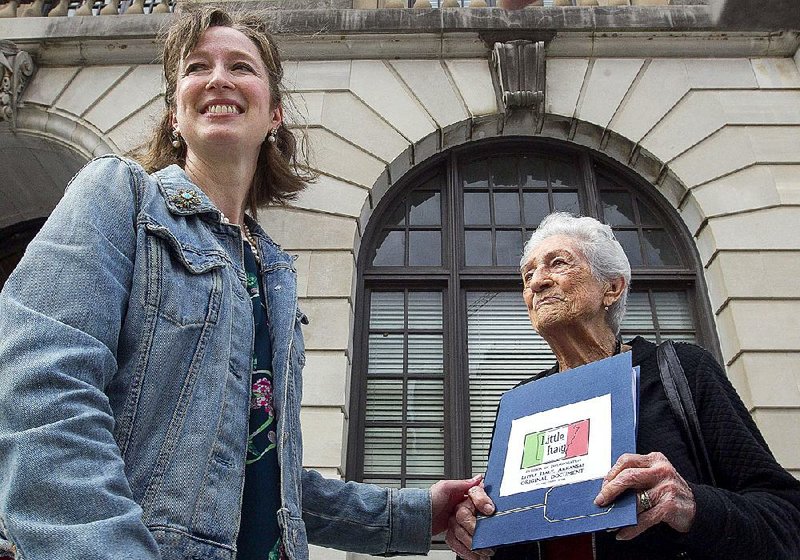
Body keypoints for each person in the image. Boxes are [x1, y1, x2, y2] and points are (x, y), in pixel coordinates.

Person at [0, 6, 479, 559]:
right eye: (197, 66)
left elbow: (258, 473)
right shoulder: (119, 197)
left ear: (274, 112)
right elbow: (44, 398)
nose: (219, 78)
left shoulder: (273, 271)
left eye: (241, 67)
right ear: (174, 113)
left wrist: (416, 514)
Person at [445, 212, 800, 560]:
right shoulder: (521, 405)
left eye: (558, 263)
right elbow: (508, 530)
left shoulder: (681, 371)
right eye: (528, 275)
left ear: (611, 288)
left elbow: (786, 519)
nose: (537, 282)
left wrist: (693, 504)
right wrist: (475, 536)